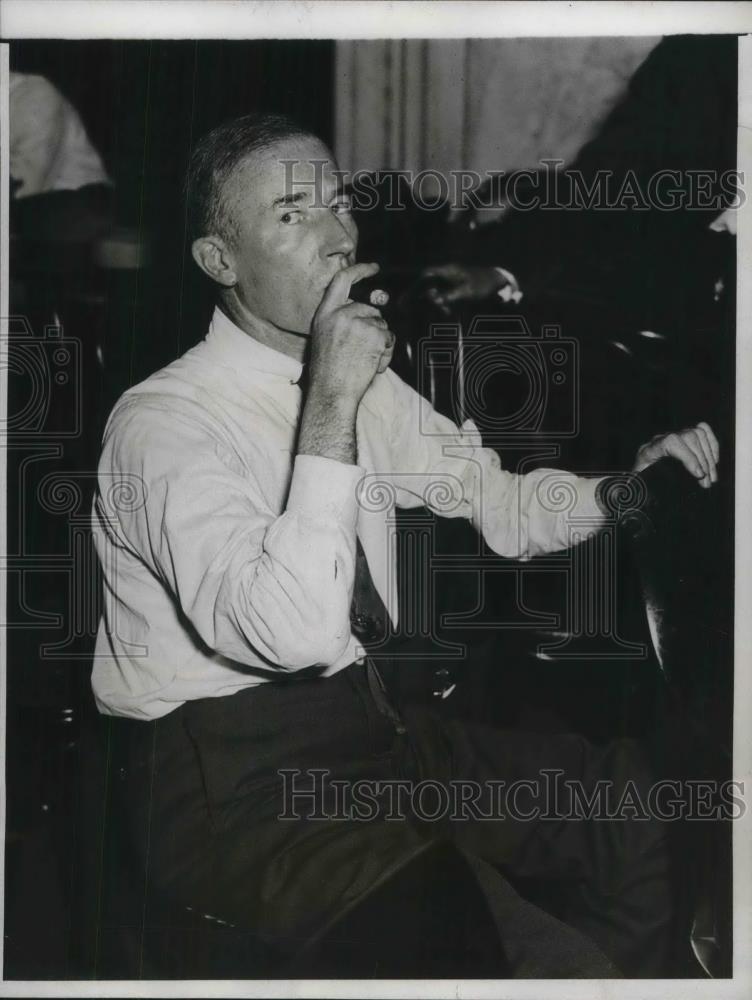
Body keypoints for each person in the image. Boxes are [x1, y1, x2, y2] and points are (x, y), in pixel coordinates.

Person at [91, 112, 720, 978]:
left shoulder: (365, 383)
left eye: (338, 203)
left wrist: (627, 487)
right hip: (232, 787)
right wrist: (334, 397)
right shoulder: (162, 423)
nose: (336, 234)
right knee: (511, 951)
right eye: (291, 215)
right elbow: (297, 632)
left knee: (628, 807)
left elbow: (500, 507)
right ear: (219, 262)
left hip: (371, 727)